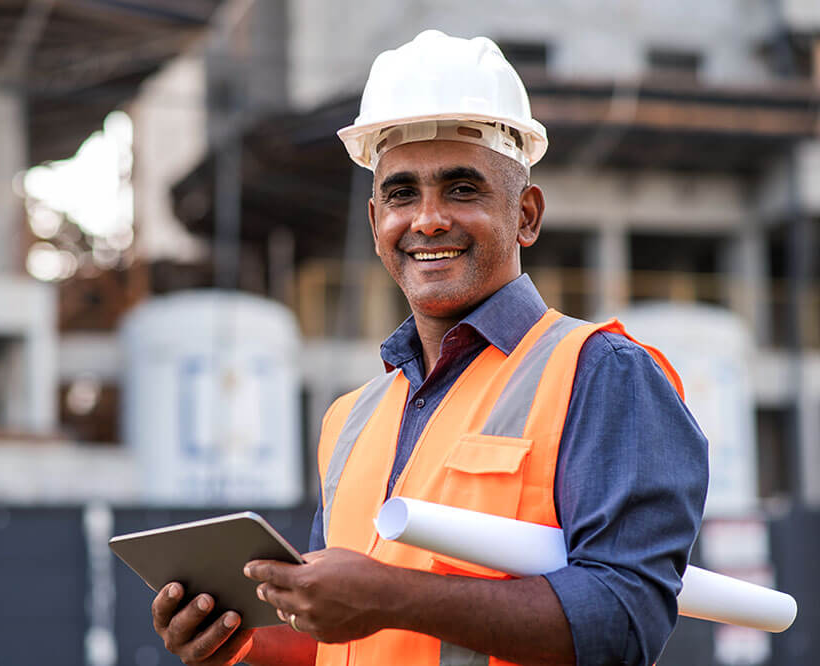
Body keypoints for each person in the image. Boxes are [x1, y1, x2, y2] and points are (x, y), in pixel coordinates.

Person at [152, 30, 709, 666]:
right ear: (374, 222)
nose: (427, 219)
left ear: (525, 214)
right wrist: (239, 641)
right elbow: (343, 641)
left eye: (462, 188)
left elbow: (625, 619)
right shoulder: (350, 420)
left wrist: (394, 596)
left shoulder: (602, 374)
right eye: (401, 193)